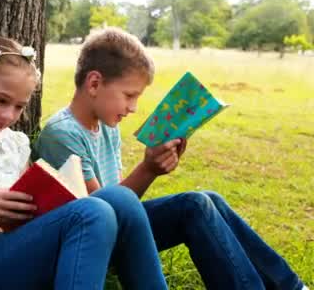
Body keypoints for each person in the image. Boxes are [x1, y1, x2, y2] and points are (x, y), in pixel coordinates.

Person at [35, 27, 308, 290]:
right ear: (94, 83)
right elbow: (105, 211)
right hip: (91, 242)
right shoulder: (62, 134)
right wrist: (148, 169)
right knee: (195, 205)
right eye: (129, 95)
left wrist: (152, 168)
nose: (133, 108)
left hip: (119, 225)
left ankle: (291, 286)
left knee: (209, 200)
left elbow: (121, 198)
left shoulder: (107, 125)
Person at [0, 35, 168, 290]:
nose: (8, 115)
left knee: (119, 198)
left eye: (19, 107)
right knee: (93, 211)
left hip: (22, 245)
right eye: (1, 100)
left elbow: (30, 204)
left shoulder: (16, 143)